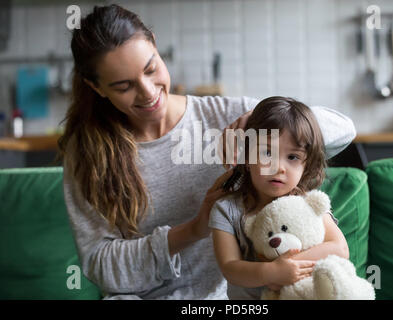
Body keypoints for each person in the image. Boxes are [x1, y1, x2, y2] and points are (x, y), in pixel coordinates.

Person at [57, 4, 356, 300]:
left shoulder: (228, 117)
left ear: (156, 45)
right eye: (123, 86)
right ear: (96, 87)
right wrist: (193, 230)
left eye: (151, 69)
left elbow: (344, 129)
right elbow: (100, 265)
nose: (148, 92)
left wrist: (258, 124)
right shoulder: (87, 154)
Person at [208, 96, 349, 300]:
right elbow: (230, 268)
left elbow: (339, 248)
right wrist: (271, 273)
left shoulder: (307, 203)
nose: (279, 167)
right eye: (267, 153)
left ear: (306, 165)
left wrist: (284, 270)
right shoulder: (226, 209)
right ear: (246, 157)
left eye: (293, 157)